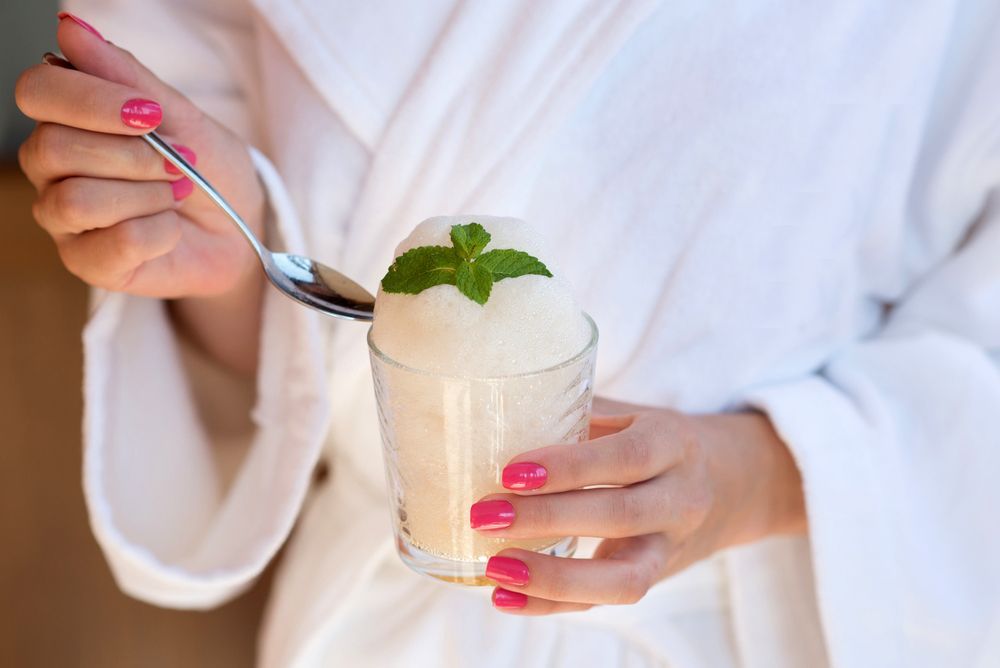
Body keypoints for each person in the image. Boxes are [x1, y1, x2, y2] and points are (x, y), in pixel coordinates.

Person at [14, 2, 1000, 666]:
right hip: (386, 621)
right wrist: (227, 247)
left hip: (772, 614)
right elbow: (293, 358)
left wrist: (760, 474)